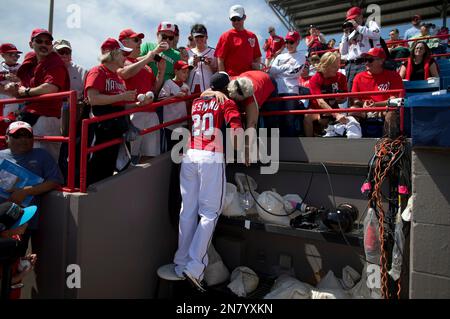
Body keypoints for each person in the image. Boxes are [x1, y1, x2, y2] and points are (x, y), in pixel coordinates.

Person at [173, 72, 242, 291]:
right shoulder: (226, 101)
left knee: (187, 211)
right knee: (210, 213)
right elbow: (236, 129)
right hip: (211, 157)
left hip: (190, 155)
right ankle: (194, 267)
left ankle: (180, 262)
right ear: (226, 87)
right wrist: (242, 150)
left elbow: (204, 98)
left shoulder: (197, 100)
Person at [0, 121, 63, 258]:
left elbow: (55, 180)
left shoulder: (42, 155)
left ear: (33, 139)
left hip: (24, 222)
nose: (23, 139)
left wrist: (26, 192)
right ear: (6, 138)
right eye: (17, 135)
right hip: (2, 219)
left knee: (17, 262)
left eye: (27, 135)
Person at [84, 38, 138, 185]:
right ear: (113, 54)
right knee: (96, 171)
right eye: (122, 54)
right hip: (101, 129)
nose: (125, 58)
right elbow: (93, 98)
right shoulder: (98, 71)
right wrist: (122, 96)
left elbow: (121, 106)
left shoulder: (118, 77)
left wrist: (139, 104)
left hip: (115, 128)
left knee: (108, 171)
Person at [15, 29, 70, 161]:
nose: (44, 45)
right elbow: (19, 87)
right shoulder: (31, 61)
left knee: (44, 161)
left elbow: (50, 88)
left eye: (47, 42)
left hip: (47, 118)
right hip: (27, 115)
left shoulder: (55, 63)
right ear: (31, 44)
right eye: (39, 41)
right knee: (22, 158)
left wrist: (26, 92)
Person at [117, 29, 167, 163]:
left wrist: (161, 73)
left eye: (140, 40)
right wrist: (148, 58)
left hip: (150, 113)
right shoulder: (121, 61)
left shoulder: (146, 65)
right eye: (136, 40)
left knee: (150, 155)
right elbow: (125, 74)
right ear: (124, 42)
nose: (140, 42)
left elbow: (154, 90)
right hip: (134, 112)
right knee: (131, 156)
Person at [350, 48, 404, 137]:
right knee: (352, 110)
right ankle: (353, 140)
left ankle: (388, 142)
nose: (366, 63)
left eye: (370, 60)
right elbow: (355, 99)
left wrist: (376, 105)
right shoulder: (359, 77)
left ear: (381, 61)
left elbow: (396, 100)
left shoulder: (393, 75)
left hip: (384, 110)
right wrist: (363, 103)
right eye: (365, 60)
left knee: (391, 110)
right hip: (365, 110)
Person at [268, 30, 306, 136]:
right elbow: (271, 71)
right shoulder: (280, 56)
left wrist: (279, 70)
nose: (288, 45)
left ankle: (290, 148)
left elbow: (294, 72)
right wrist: (286, 66)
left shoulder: (301, 56)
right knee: (276, 121)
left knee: (289, 121)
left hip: (291, 92)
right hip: (277, 92)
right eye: (287, 42)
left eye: (291, 42)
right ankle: (277, 149)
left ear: (298, 42)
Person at [304, 52, 350, 137]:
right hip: (318, 110)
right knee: (307, 116)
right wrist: (336, 115)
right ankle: (309, 143)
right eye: (334, 66)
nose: (337, 68)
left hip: (334, 110)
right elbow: (320, 102)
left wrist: (340, 98)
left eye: (338, 65)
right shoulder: (315, 79)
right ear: (325, 66)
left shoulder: (341, 77)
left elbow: (344, 99)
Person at [0, 202, 38, 299]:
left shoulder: (15, 236)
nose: (26, 223)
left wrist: (22, 260)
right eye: (21, 222)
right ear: (7, 231)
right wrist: (23, 274)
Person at [339, 7, 381, 91]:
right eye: (349, 20)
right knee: (351, 93)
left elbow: (376, 34)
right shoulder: (349, 32)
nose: (352, 21)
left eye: (354, 18)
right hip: (350, 65)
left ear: (361, 16)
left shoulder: (370, 24)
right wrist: (345, 34)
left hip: (365, 63)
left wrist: (357, 26)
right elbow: (343, 52)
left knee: (366, 90)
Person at [215, 4, 262, 76]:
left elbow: (257, 57)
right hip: (232, 78)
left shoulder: (252, 36)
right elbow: (220, 59)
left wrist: (257, 67)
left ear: (244, 17)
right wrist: (223, 78)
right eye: (233, 19)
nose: (236, 22)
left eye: (238, 19)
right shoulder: (226, 36)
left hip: (250, 77)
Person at [158, 60, 191, 152]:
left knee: (183, 151)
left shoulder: (186, 86)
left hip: (183, 123)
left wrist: (187, 98)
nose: (186, 74)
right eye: (183, 72)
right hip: (170, 125)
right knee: (171, 151)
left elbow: (188, 104)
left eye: (187, 72)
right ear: (176, 71)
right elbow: (161, 100)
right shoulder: (168, 82)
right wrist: (175, 96)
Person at [0, 43, 22, 150]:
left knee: (15, 134)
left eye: (16, 55)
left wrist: (18, 79)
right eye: (11, 54)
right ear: (3, 55)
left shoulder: (22, 67)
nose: (15, 57)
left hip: (17, 106)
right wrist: (4, 76)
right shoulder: (0, 67)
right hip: (2, 106)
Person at [187, 24, 217, 94]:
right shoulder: (188, 53)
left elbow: (218, 72)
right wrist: (192, 65)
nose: (199, 39)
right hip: (190, 88)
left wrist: (210, 65)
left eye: (201, 36)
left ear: (206, 37)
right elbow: (183, 74)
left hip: (208, 89)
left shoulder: (214, 52)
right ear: (193, 37)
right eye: (197, 37)